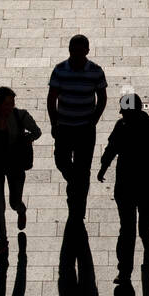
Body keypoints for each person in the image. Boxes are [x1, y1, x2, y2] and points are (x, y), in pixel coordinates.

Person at [97, 94, 149, 283]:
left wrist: (147, 171)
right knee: (129, 229)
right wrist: (103, 167)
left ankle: (144, 249)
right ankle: (126, 269)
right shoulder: (137, 126)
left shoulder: (147, 128)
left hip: (138, 185)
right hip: (136, 186)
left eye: (125, 112)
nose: (122, 115)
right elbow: (111, 149)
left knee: (137, 227)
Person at [0, 87, 42, 264]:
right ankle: (3, 245)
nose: (10, 106)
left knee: (14, 202)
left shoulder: (20, 116)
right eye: (7, 103)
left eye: (12, 103)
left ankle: (21, 209)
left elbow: (37, 132)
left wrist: (26, 139)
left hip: (15, 165)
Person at [47, 35, 107, 217]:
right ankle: (74, 184)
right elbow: (52, 98)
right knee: (61, 160)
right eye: (73, 51)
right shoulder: (59, 70)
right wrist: (53, 122)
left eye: (80, 51)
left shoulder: (95, 71)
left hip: (85, 129)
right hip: (64, 126)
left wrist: (94, 120)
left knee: (83, 168)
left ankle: (78, 205)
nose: (77, 55)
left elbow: (102, 98)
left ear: (87, 51)